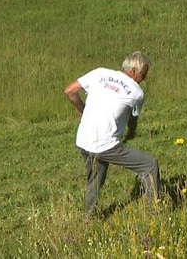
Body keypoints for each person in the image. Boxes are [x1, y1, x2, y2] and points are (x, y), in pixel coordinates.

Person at [64, 51, 160, 219]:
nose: (144, 79)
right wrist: (131, 133)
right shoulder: (136, 92)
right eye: (143, 75)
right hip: (106, 145)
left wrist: (83, 110)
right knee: (149, 165)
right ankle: (154, 214)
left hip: (83, 140)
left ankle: (88, 218)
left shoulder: (99, 73)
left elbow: (70, 91)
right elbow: (132, 119)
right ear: (133, 72)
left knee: (95, 179)